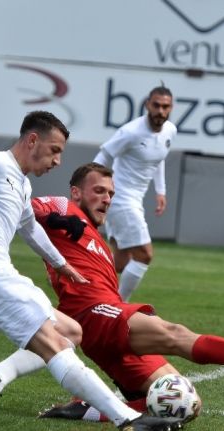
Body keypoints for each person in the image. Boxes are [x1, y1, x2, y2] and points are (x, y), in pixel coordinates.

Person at [0, 162, 224, 424]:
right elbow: (20, 206)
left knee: (184, 402)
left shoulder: (97, 238)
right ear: (76, 193)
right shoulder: (64, 207)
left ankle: (87, 410)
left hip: (105, 324)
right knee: (173, 333)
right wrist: (42, 217)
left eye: (111, 193)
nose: (107, 198)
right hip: (93, 314)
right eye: (98, 191)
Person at [0, 112, 176, 431]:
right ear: (32, 140)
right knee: (55, 345)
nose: (57, 161)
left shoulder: (22, 184)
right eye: (54, 150)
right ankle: (129, 419)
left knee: (71, 331)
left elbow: (31, 229)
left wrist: (61, 264)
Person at [93, 85, 177, 300]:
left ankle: (82, 283)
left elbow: (158, 158)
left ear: (171, 108)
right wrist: (91, 187)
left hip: (135, 199)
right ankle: (119, 306)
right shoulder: (131, 131)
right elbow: (104, 156)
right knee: (144, 255)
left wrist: (161, 191)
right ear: (147, 105)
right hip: (121, 198)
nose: (160, 111)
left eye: (165, 106)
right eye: (156, 105)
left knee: (120, 263)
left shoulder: (170, 130)